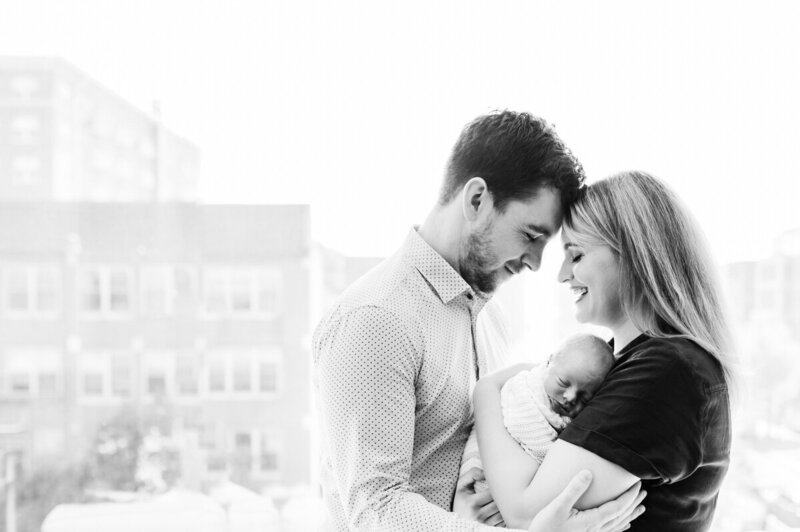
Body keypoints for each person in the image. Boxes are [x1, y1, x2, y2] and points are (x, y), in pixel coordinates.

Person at [313, 111, 645, 531]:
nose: (536, 263)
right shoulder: (377, 320)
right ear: (476, 200)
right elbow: (375, 507)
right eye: (530, 235)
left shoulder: (491, 314)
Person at [474, 170, 733, 531]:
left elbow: (523, 512)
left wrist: (486, 392)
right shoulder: (620, 362)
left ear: (636, 256)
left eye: (576, 255)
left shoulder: (667, 371)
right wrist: (507, 485)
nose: (562, 274)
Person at [460, 333, 614, 502]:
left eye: (584, 398)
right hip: (486, 480)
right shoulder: (525, 390)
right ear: (548, 362)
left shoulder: (568, 409)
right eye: (563, 382)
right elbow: (529, 436)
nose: (570, 397)